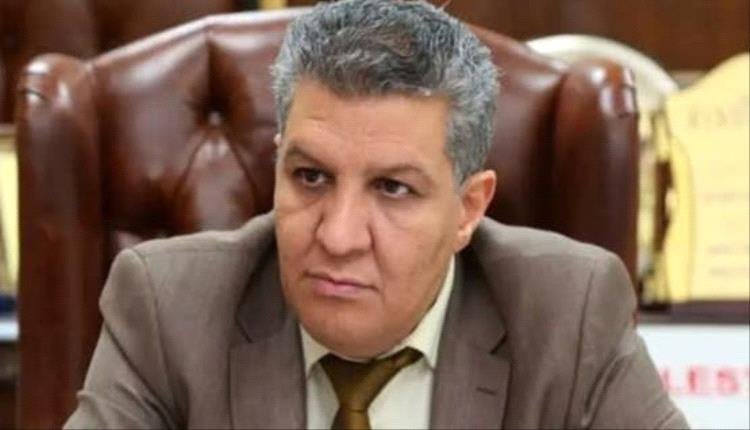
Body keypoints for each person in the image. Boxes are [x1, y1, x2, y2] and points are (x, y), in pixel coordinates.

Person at [65, 0, 687, 428]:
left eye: (392, 189)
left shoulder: (569, 313)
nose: (338, 237)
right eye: (310, 177)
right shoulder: (169, 308)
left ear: (468, 208)